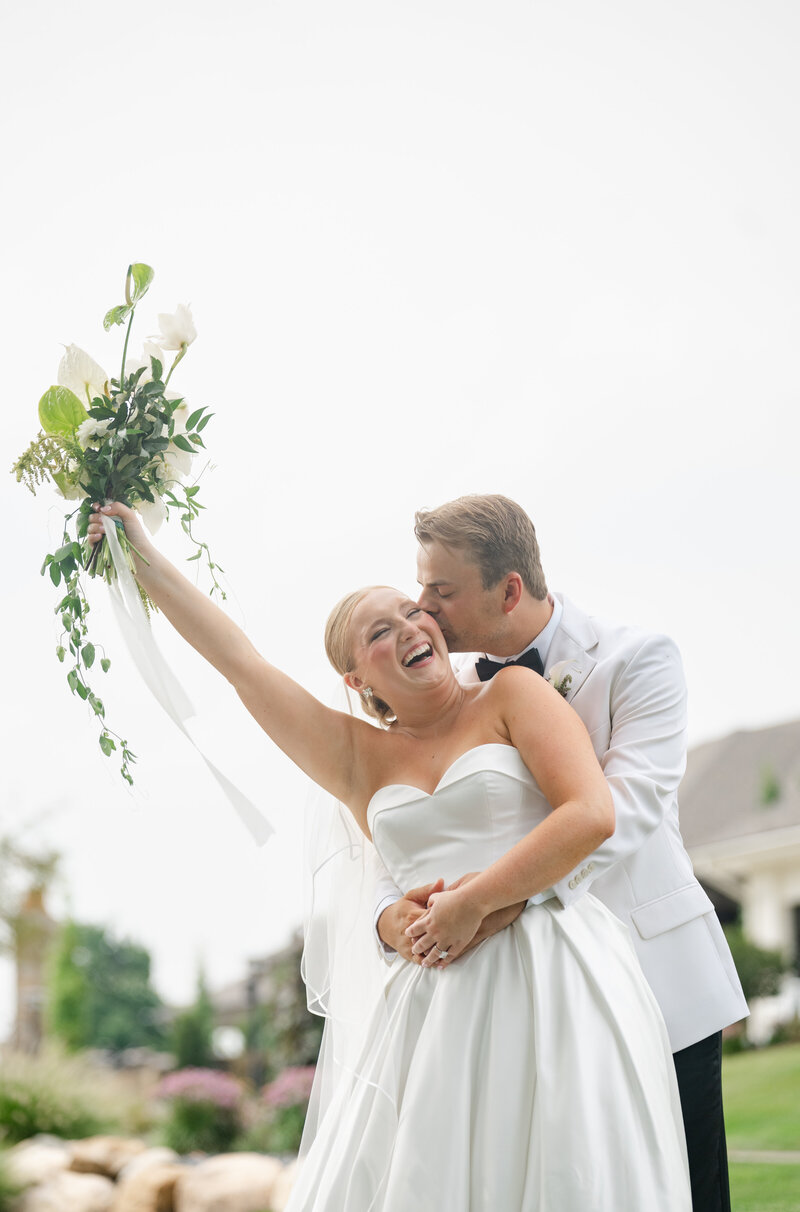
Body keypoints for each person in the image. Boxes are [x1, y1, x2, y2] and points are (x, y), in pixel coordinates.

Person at [88, 500, 691, 1211]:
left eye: (413, 610)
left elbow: (590, 813)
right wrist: (142, 558)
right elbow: (239, 663)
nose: (412, 625)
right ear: (357, 680)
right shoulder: (353, 757)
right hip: (432, 1007)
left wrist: (473, 902)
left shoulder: (513, 695)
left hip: (553, 973)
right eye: (381, 631)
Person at [375, 493, 748, 1212]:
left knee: (691, 1195)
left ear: (508, 589)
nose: (423, 611)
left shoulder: (638, 659)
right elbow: (403, 826)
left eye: (440, 592)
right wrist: (390, 917)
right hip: (535, 1005)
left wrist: (495, 896)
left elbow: (625, 812)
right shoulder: (448, 697)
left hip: (658, 974)